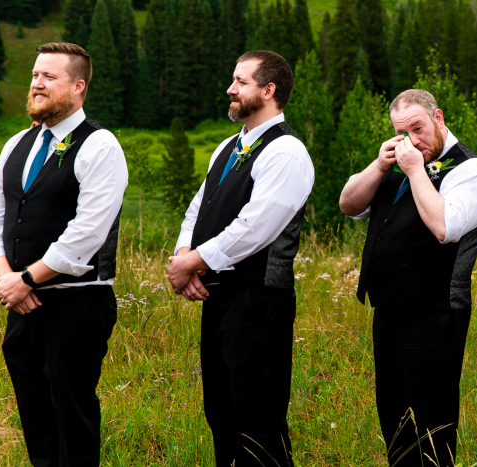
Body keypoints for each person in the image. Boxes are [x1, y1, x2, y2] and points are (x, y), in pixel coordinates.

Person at [0, 42, 127, 466]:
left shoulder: (100, 146)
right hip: (21, 304)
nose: (37, 84)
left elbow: (87, 231)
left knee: (72, 418)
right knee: (36, 420)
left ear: (78, 86)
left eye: (49, 77)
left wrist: (27, 279)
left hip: (77, 303)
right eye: (34, 75)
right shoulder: (17, 143)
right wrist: (8, 277)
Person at [166, 50, 314, 467]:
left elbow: (255, 228)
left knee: (257, 418)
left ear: (268, 91)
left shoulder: (287, 152)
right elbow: (199, 208)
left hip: (259, 300)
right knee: (221, 411)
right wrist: (184, 255)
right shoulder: (228, 146)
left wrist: (195, 262)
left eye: (241, 82)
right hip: (219, 299)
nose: (230, 89)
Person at [339, 89, 477, 466]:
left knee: (432, 419)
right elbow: (348, 204)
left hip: (436, 311)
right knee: (393, 418)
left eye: (419, 128)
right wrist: (379, 166)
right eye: (401, 131)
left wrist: (412, 169)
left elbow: (445, 227)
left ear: (438, 118)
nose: (412, 140)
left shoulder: (472, 169)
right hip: (389, 308)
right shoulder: (396, 163)